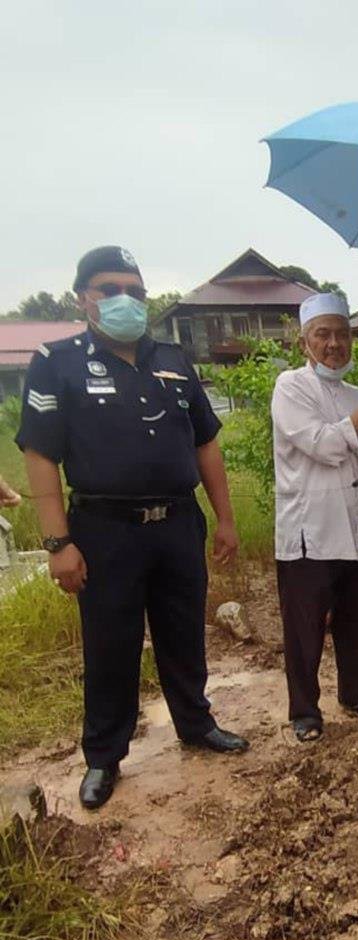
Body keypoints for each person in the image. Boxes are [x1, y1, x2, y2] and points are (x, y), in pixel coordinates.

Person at [16, 245, 249, 812]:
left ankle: (196, 723)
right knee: (110, 644)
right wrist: (58, 542)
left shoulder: (173, 359)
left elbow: (206, 443)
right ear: (83, 299)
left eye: (136, 292)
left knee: (183, 632)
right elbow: (40, 454)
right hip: (103, 530)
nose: (126, 301)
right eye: (110, 290)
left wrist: (224, 519)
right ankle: (103, 756)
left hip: (176, 523)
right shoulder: (56, 360)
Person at [271, 292, 358, 742]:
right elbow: (322, 445)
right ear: (305, 341)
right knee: (305, 628)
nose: (334, 344)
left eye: (342, 334)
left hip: (357, 528)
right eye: (323, 334)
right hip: (311, 530)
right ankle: (305, 711)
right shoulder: (291, 387)